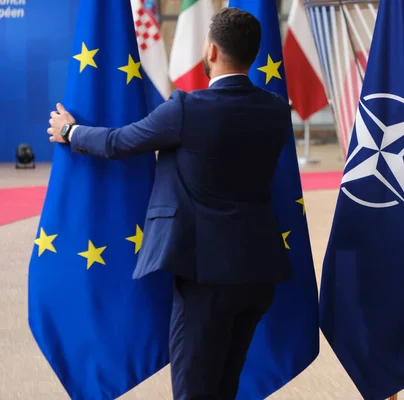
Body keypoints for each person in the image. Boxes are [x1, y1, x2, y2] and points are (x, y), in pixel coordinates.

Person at [46, 7, 292, 400]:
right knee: (225, 387)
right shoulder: (278, 111)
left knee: (193, 391)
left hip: (206, 278)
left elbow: (118, 143)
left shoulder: (187, 109)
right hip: (258, 272)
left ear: (210, 51)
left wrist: (70, 130)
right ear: (255, 53)